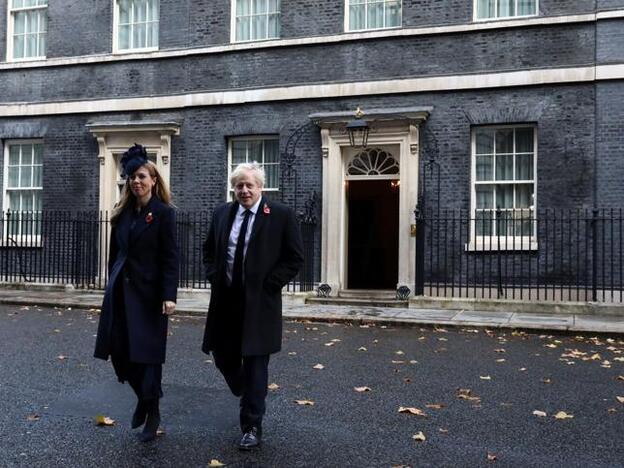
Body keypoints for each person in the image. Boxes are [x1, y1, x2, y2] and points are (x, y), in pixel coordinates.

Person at [202, 162, 304, 450]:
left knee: (257, 364)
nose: (244, 190)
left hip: (260, 304)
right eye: (239, 185)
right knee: (223, 356)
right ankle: (245, 389)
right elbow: (208, 250)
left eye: (250, 185)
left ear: (261, 187)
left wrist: (270, 285)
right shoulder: (222, 213)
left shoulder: (281, 215)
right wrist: (213, 276)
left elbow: (295, 258)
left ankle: (251, 426)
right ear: (233, 188)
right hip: (227, 300)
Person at [94, 144, 179, 443]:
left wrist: (169, 295)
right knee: (119, 352)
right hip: (120, 293)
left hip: (150, 296)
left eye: (142, 176)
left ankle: (152, 414)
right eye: (132, 177)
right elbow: (115, 255)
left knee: (147, 357)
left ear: (154, 180)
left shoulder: (164, 214)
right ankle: (144, 400)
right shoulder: (122, 213)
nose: (136, 181)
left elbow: (171, 257)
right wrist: (110, 283)